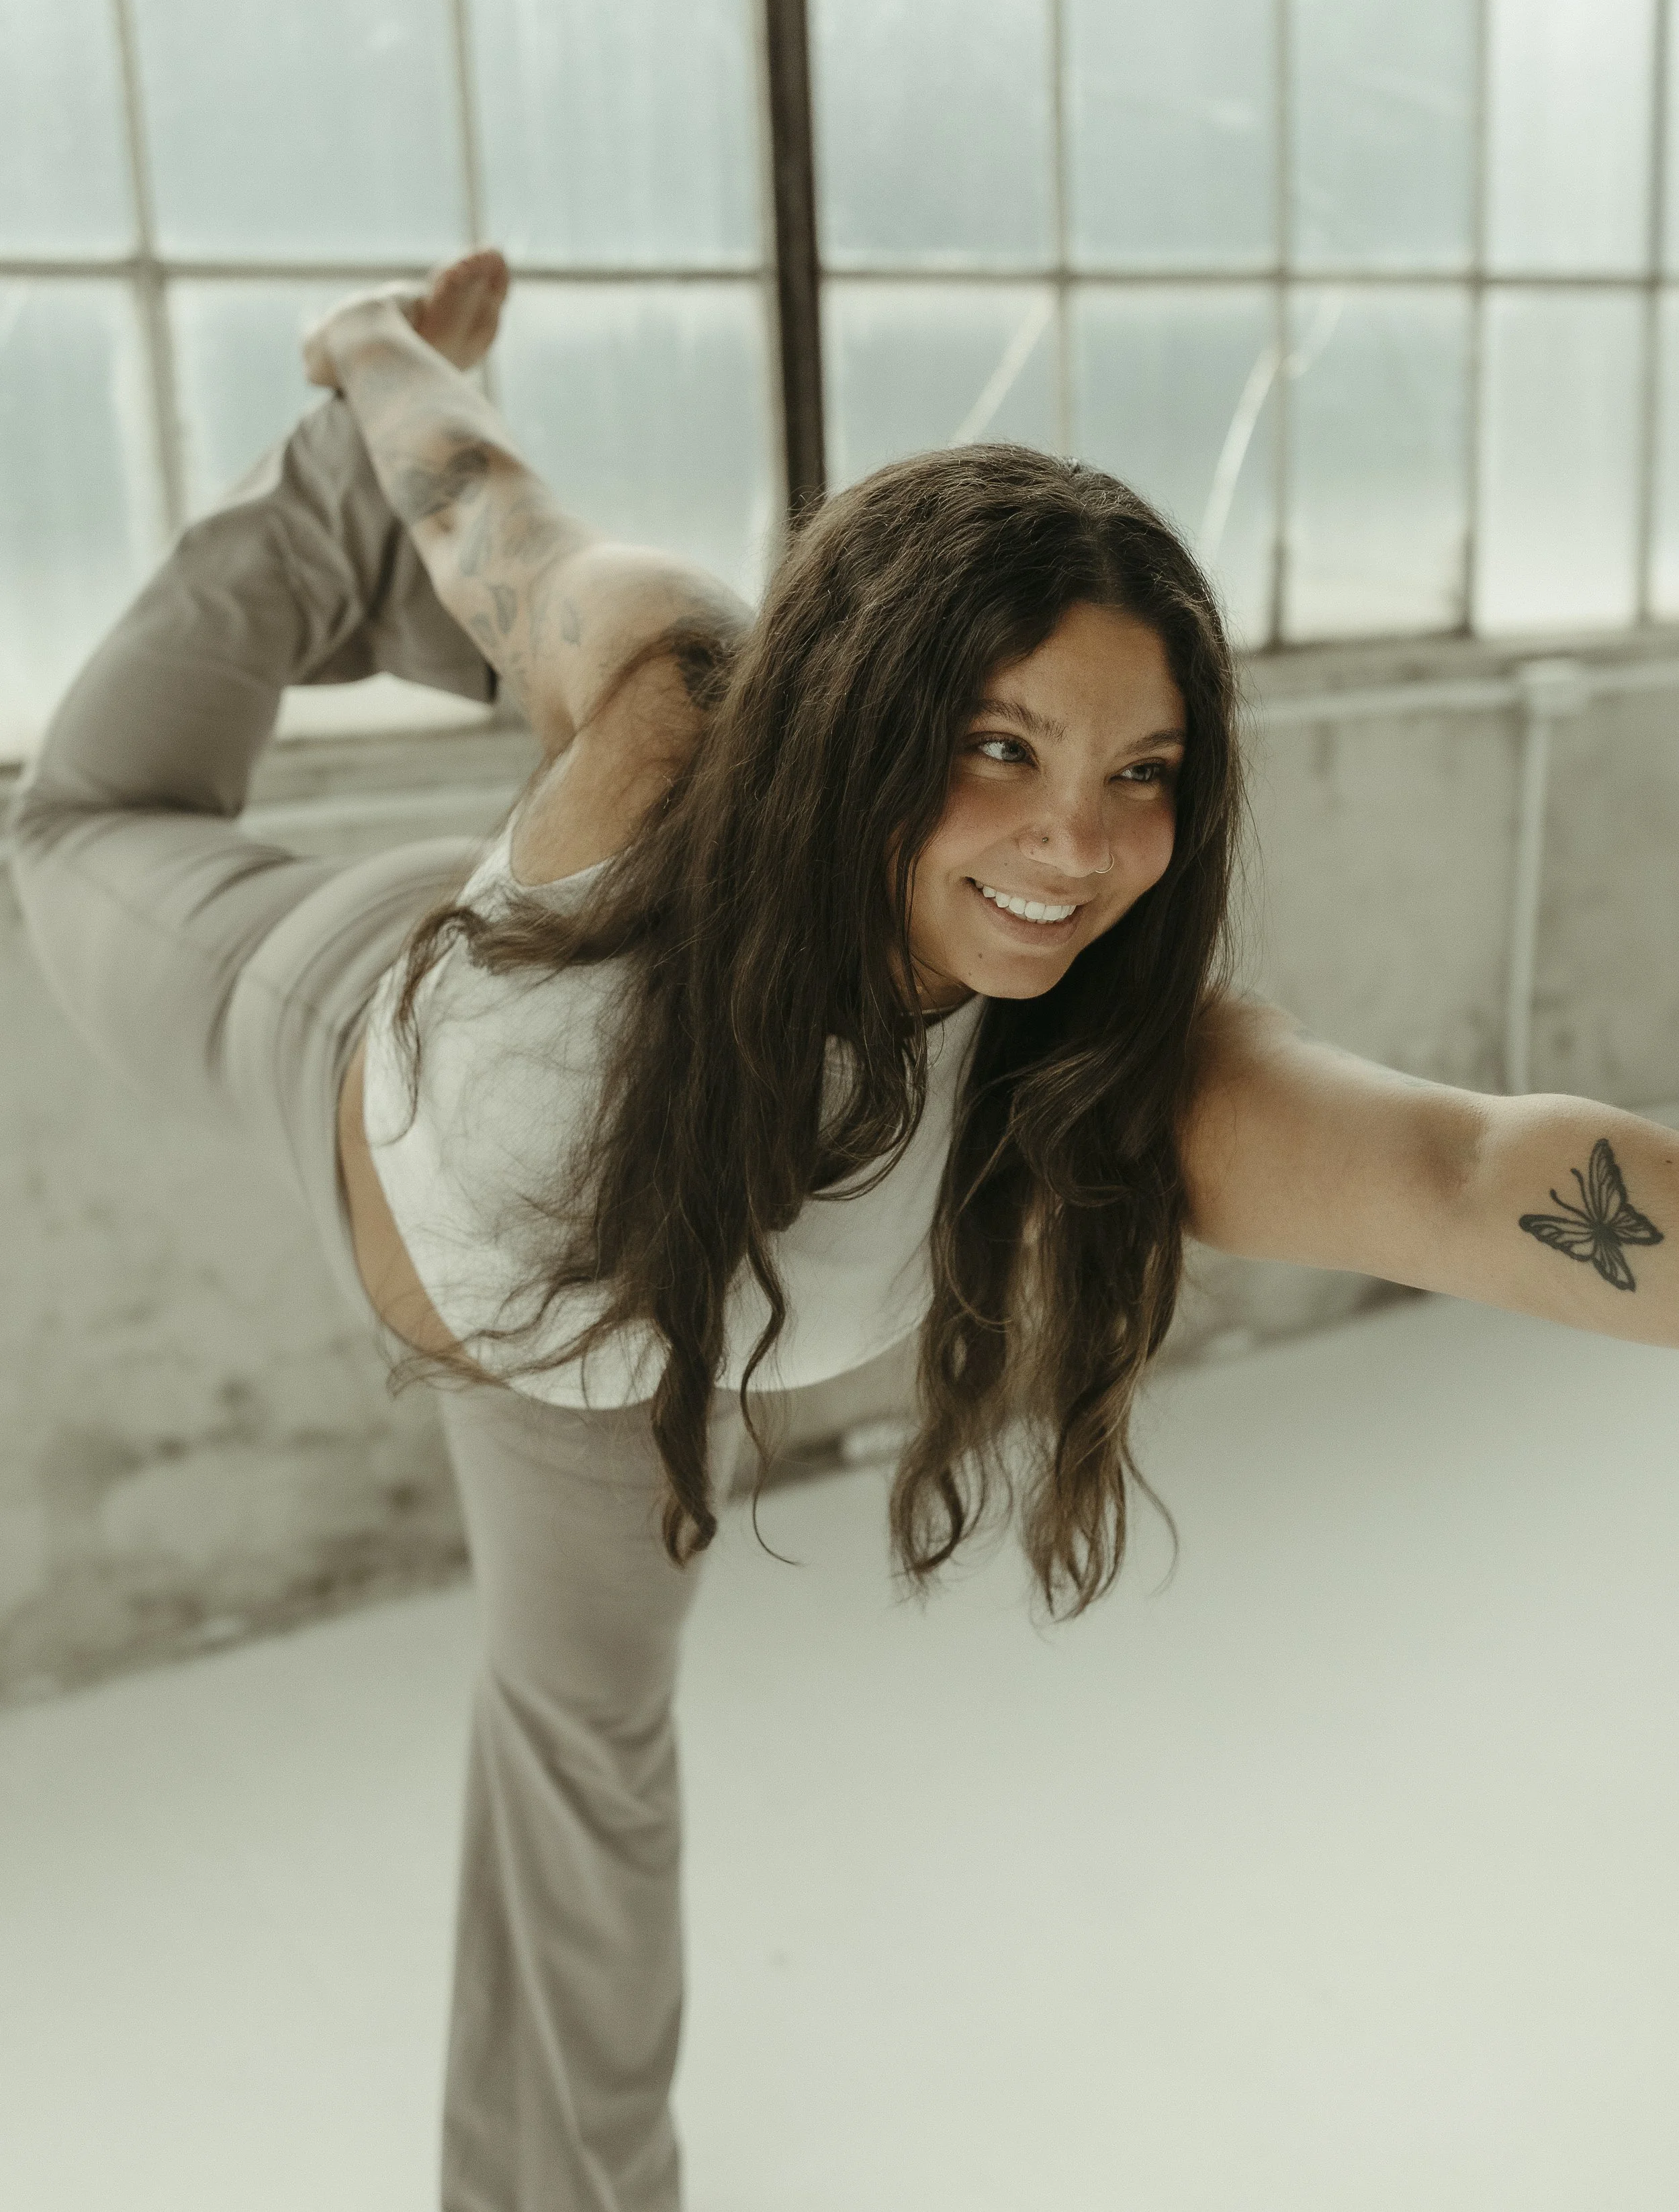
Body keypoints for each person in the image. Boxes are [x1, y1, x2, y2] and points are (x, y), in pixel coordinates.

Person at [11, 248, 1678, 2212]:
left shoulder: (1088, 1053)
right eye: (1000, 745)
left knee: (587, 1746)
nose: (1076, 848)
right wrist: (384, 361)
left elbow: (1467, 1176)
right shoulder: (668, 707)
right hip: (348, 1029)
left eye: (1140, 776)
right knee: (84, 817)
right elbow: (481, 488)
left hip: (590, 1353)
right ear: (873, 720)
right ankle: (322, 489)